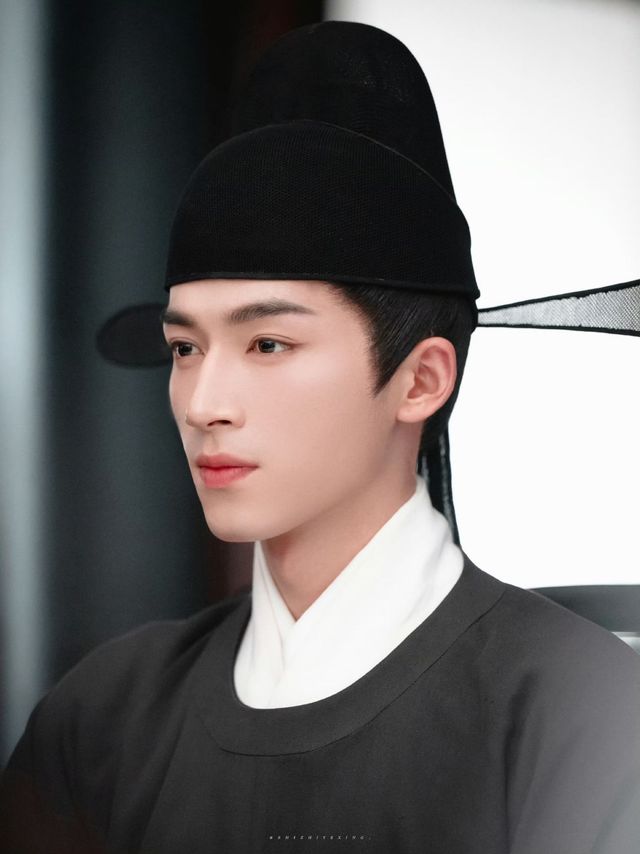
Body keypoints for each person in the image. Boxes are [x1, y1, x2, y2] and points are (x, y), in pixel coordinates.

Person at [1, 20, 639, 854]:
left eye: (268, 344)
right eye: (185, 348)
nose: (203, 403)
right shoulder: (101, 722)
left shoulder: (582, 713)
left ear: (421, 379)